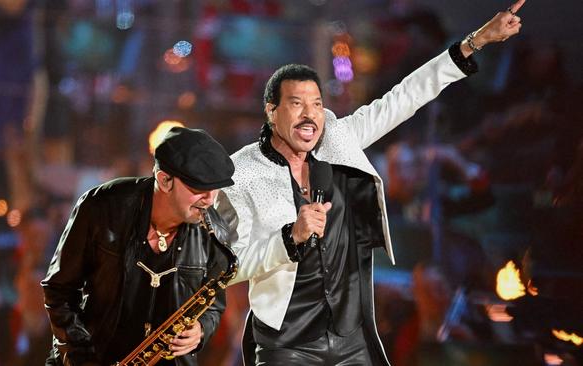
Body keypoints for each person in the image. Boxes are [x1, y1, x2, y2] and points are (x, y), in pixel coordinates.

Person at [216, 2, 525, 365]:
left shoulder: (338, 140)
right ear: (271, 111)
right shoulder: (244, 172)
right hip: (287, 338)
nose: (309, 115)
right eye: (296, 104)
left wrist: (475, 42)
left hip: (352, 333)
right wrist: (289, 238)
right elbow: (231, 264)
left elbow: (406, 96)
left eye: (316, 103)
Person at [41, 127, 236, 366]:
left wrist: (201, 329)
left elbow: (213, 306)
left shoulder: (215, 233)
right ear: (165, 180)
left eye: (215, 188)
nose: (209, 200)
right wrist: (80, 356)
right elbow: (58, 289)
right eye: (199, 188)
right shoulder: (102, 207)